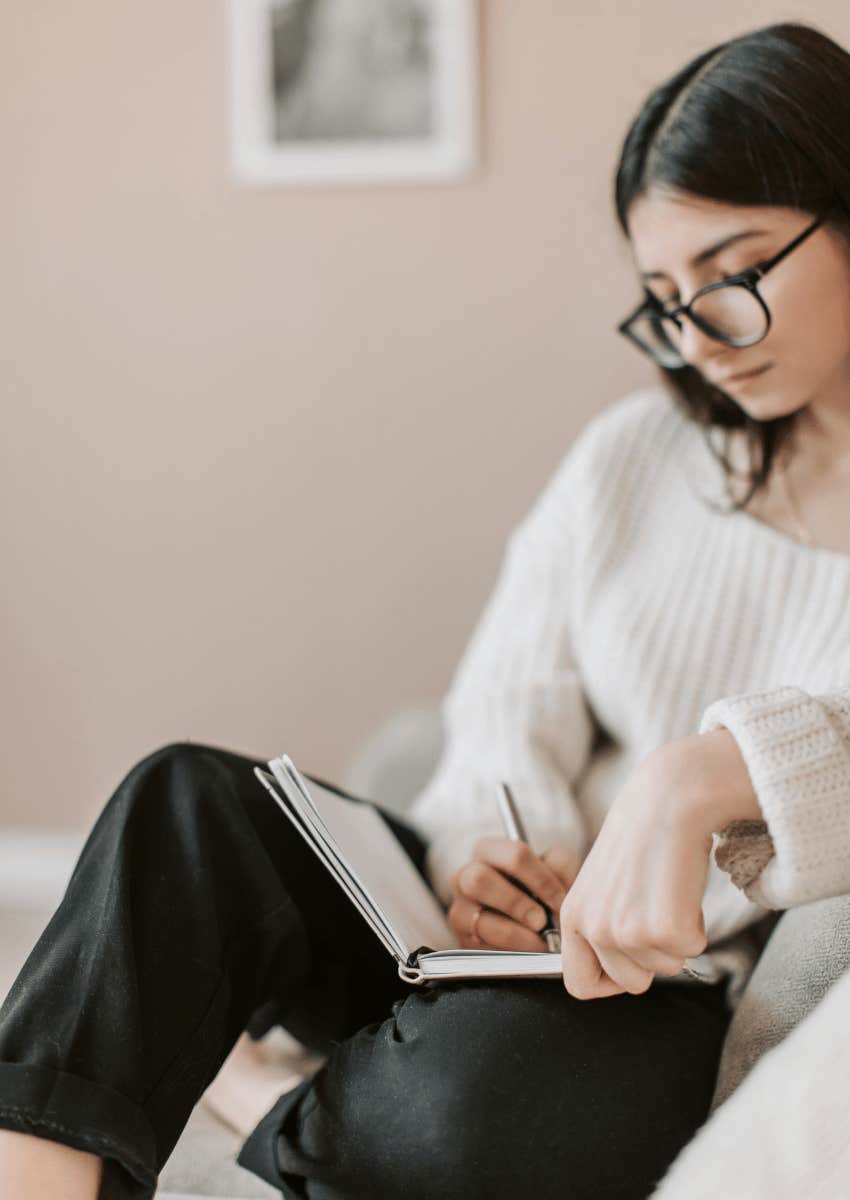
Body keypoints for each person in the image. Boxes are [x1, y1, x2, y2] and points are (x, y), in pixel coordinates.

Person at [3, 17, 850, 1200]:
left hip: (656, 1002)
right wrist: (495, 854)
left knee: (463, 1118)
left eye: (735, 272)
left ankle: (258, 1093)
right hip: (488, 946)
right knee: (182, 805)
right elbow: (506, 700)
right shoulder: (634, 457)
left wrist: (700, 776)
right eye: (663, 294)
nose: (697, 336)